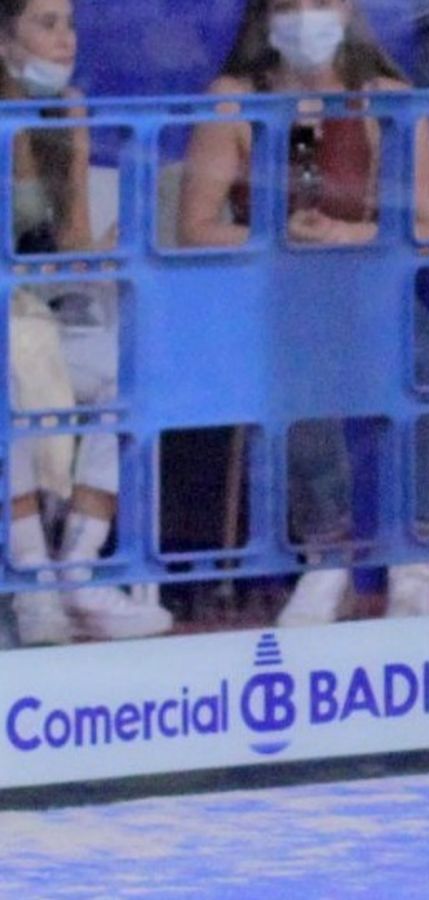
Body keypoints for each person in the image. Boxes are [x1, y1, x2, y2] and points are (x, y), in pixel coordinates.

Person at [176, 0, 429, 626]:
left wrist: (352, 235)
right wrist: (280, 237)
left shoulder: (387, 99)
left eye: (322, 2)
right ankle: (328, 558)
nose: (307, 17)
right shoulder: (234, 99)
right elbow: (194, 229)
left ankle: (415, 568)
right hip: (275, 298)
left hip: (370, 293)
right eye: (291, 4)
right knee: (299, 352)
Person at [2, 0, 173, 644]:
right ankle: (32, 579)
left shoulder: (67, 111)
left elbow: (70, 239)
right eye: (46, 24)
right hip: (10, 315)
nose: (65, 39)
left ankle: (79, 567)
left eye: (69, 23)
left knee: (129, 367)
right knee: (12, 375)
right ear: (3, 40)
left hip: (43, 307)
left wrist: (104, 251)